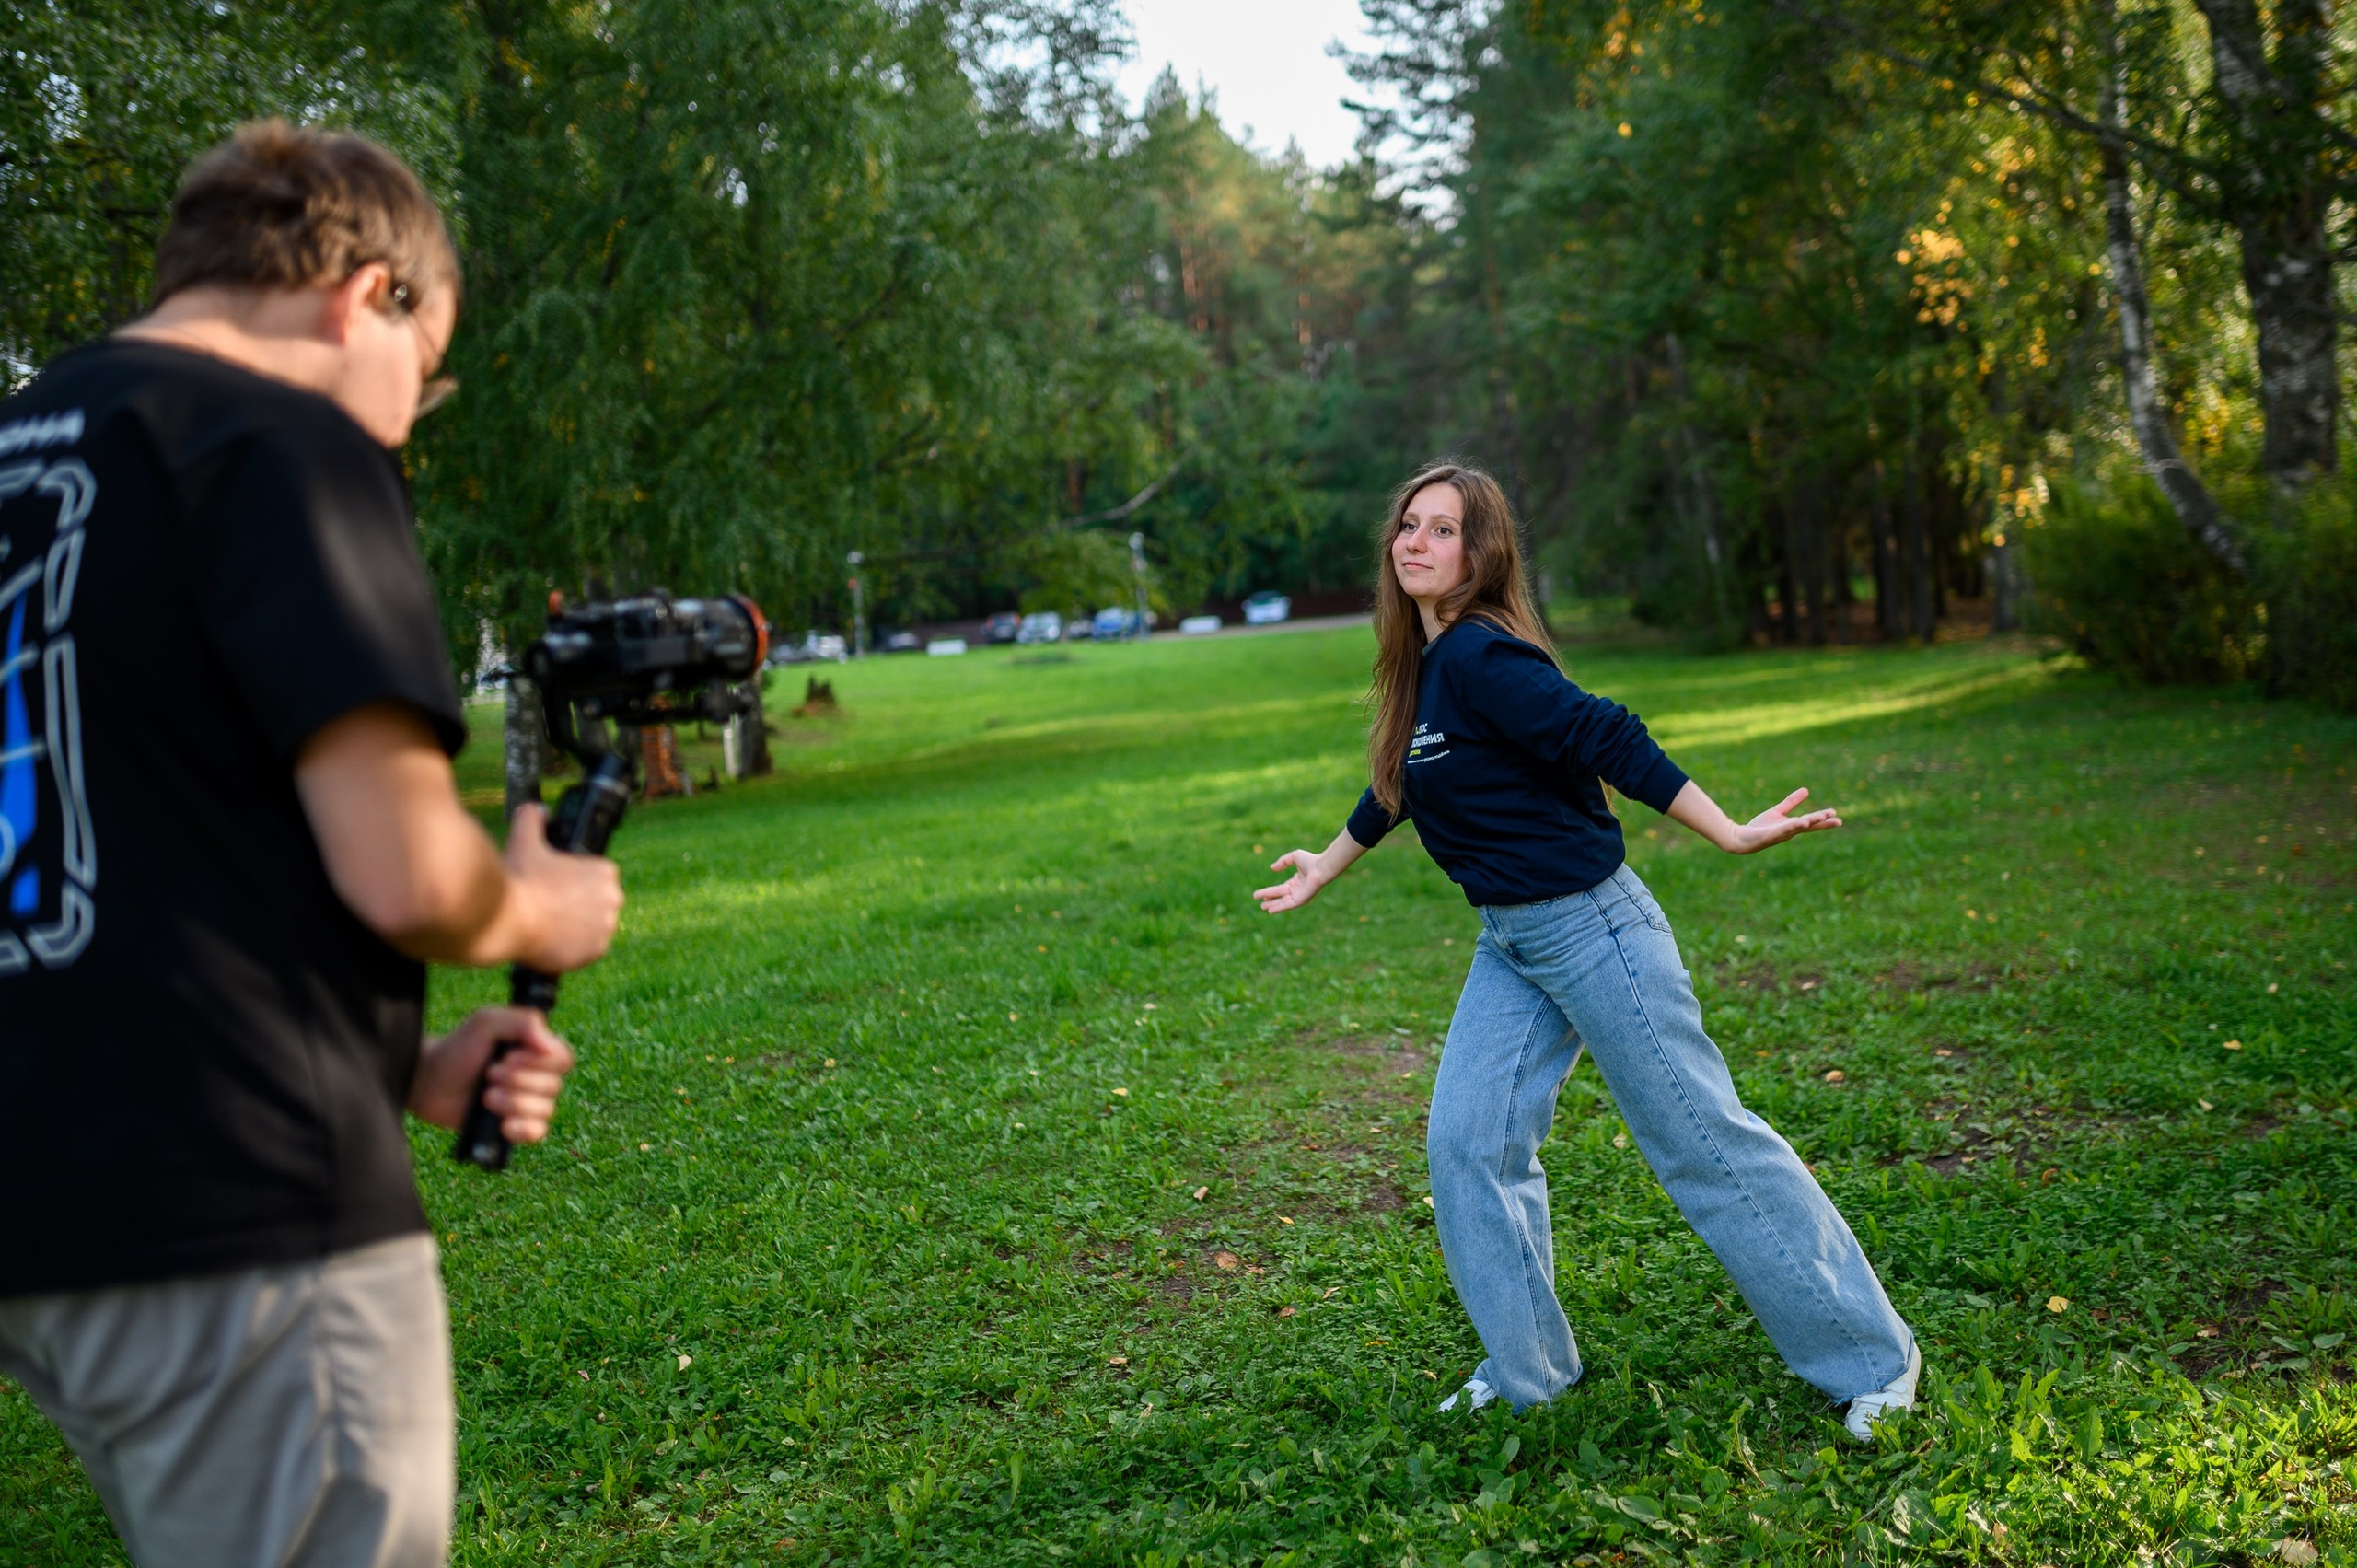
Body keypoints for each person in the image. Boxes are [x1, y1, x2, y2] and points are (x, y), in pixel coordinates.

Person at [0, 122, 621, 1565]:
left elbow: (115, 825)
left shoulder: (37, 459)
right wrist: (532, 909)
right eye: (427, 369)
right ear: (364, 296)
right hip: (250, 1217)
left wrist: (396, 1062)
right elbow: (407, 870)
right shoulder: (275, 439)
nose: (407, 419)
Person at [1253, 462, 1920, 1440]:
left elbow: (1605, 730)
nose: (1415, 541)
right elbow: (1399, 781)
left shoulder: (1484, 656)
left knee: (1703, 1144)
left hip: (1593, 927)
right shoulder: (1430, 670)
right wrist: (1325, 864)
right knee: (1468, 1141)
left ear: (1481, 554)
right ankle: (1532, 1373)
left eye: (1442, 529)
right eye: (1406, 524)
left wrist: (1726, 830)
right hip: (1512, 941)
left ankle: (1874, 1359)